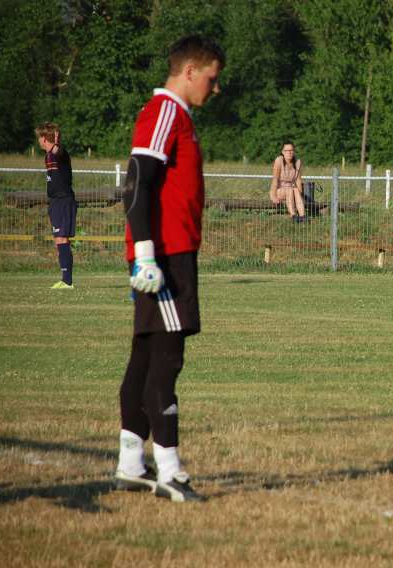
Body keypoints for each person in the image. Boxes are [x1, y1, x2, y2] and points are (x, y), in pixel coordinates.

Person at [114, 35, 225, 503]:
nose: (215, 89)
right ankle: (170, 472)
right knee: (167, 359)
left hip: (168, 252)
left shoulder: (181, 118)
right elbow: (138, 180)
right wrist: (144, 253)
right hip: (165, 256)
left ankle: (131, 463)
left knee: (144, 356)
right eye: (212, 79)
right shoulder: (165, 112)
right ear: (189, 72)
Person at [36, 123, 77, 289]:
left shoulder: (59, 153)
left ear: (44, 138)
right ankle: (65, 279)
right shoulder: (47, 156)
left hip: (64, 200)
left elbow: (58, 151)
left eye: (40, 137)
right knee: (58, 240)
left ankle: (67, 281)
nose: (38, 140)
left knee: (62, 238)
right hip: (55, 202)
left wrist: (57, 142)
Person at [269, 142, 306, 223]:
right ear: (282, 152)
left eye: (291, 150)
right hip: (279, 190)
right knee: (290, 190)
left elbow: (298, 180)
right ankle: (293, 216)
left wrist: (300, 195)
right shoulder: (279, 160)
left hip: (292, 190)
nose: (289, 152)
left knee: (295, 190)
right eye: (287, 150)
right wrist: (273, 196)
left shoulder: (297, 162)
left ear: (294, 151)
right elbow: (275, 180)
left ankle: (303, 216)